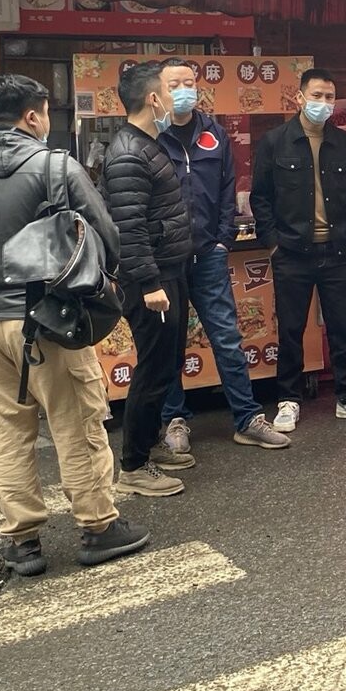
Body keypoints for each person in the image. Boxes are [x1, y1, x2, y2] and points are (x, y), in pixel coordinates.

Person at [0, 74, 148, 576]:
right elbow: (107, 236)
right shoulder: (56, 166)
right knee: (76, 423)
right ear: (32, 116)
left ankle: (22, 540)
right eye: (46, 113)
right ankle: (98, 526)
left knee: (6, 430)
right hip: (49, 321)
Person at [156, 60, 290, 453]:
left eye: (189, 82)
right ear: (158, 92)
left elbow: (228, 186)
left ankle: (247, 419)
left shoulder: (213, 132)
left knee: (228, 338)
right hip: (167, 259)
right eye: (174, 84)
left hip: (209, 255)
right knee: (170, 342)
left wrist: (222, 239)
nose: (184, 90)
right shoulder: (151, 136)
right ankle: (173, 419)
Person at [251, 67, 346, 432]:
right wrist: (273, 242)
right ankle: (288, 400)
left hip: (338, 251)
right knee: (290, 330)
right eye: (316, 96)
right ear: (299, 97)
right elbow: (260, 197)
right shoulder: (275, 142)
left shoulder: (344, 143)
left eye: (329, 97)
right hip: (291, 252)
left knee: (343, 328)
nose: (323, 103)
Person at [103, 61, 194, 497]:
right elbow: (129, 228)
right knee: (153, 368)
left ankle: (150, 443)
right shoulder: (128, 153)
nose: (176, 98)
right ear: (153, 98)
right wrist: (150, 283)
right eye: (168, 90)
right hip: (150, 281)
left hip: (169, 271)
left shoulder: (149, 144)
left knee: (168, 364)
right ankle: (134, 466)